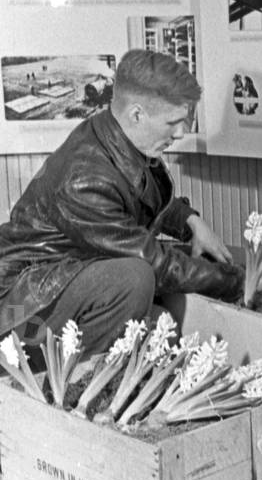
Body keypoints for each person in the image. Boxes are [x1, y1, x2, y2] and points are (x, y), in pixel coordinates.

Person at [0, 49, 243, 356]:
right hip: (19, 312)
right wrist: (236, 282)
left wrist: (190, 222)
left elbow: (137, 191)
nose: (181, 132)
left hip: (59, 280)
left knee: (160, 324)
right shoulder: (84, 179)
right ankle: (75, 385)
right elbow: (155, 264)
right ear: (137, 114)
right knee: (135, 278)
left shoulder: (115, 135)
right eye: (174, 122)